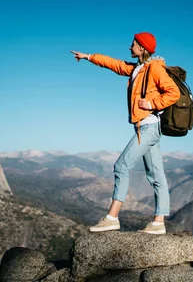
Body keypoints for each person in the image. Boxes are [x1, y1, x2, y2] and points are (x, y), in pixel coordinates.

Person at [70, 32, 180, 234]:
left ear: (142, 47)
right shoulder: (137, 68)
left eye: (133, 44)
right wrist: (88, 57)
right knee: (157, 176)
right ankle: (159, 222)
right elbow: (113, 64)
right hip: (145, 127)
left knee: (121, 165)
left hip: (149, 127)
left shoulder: (154, 68)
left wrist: (151, 103)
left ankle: (112, 217)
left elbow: (173, 92)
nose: (130, 47)